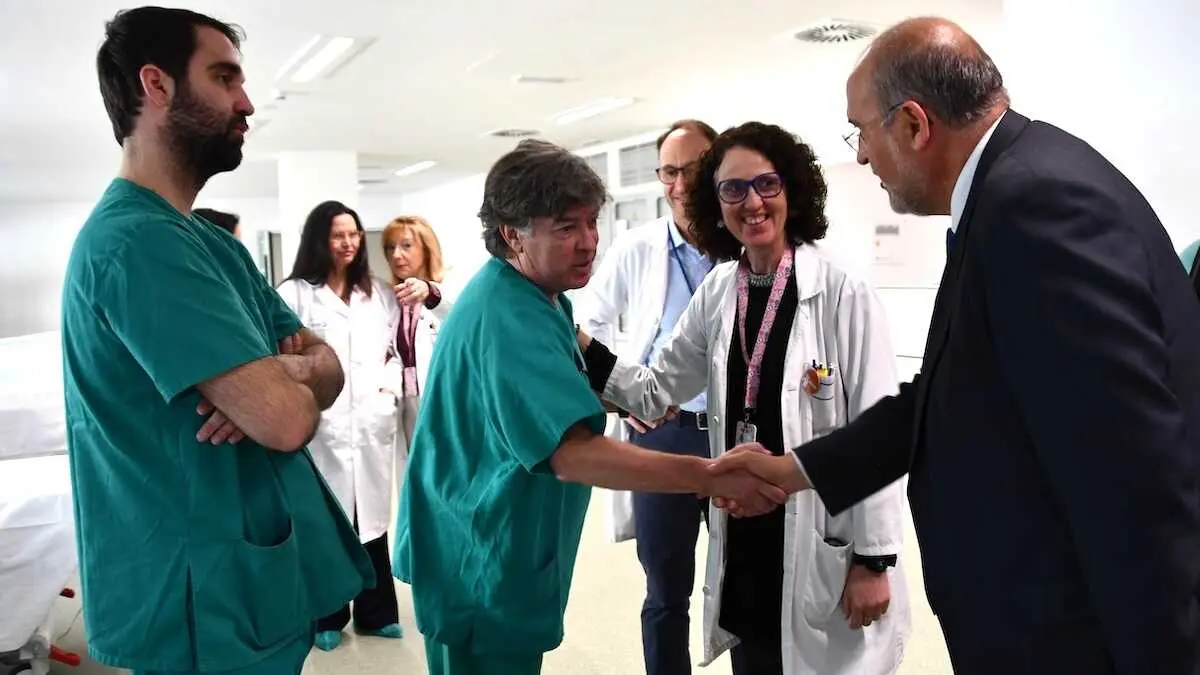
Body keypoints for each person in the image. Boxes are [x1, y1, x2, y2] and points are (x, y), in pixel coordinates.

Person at [710, 17, 1200, 675]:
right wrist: (796, 468)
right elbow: (941, 393)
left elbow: (1135, 482)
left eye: (861, 132)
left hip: (1073, 638)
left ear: (914, 124)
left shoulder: (1035, 207)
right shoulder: (1014, 189)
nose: (859, 157)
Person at [392, 138, 786, 675]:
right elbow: (575, 454)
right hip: (479, 556)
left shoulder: (537, 295)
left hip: (490, 544)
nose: (588, 243)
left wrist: (632, 394)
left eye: (591, 222)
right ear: (512, 234)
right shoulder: (509, 317)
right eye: (566, 228)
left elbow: (569, 362)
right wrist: (711, 475)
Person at [61, 7, 373, 675]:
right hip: (200, 605)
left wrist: (282, 372)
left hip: (250, 585)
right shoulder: (136, 242)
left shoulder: (207, 245)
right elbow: (288, 422)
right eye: (225, 78)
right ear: (157, 85)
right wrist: (286, 382)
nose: (247, 102)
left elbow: (327, 364)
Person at [579, 122, 910, 675]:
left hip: (822, 532)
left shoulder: (842, 292)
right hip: (747, 526)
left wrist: (875, 559)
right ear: (716, 204)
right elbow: (655, 388)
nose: (752, 202)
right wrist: (574, 339)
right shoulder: (719, 290)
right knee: (754, 654)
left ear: (792, 190)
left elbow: (881, 430)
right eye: (733, 189)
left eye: (767, 184)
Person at [573, 118, 718, 675]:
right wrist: (629, 396)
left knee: (746, 585)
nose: (680, 184)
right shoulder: (638, 248)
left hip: (740, 435)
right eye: (669, 171)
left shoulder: (746, 247)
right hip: (664, 434)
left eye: (694, 169)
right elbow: (589, 325)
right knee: (666, 589)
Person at [275, 201, 405, 651]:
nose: (348, 243)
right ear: (318, 240)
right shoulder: (293, 294)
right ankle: (327, 615)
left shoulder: (380, 293)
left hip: (370, 420)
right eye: (337, 235)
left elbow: (395, 352)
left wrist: (388, 390)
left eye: (353, 235)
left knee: (372, 518)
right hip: (321, 424)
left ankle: (377, 612)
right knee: (327, 521)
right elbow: (280, 357)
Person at [379, 214, 452, 494]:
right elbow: (391, 353)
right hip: (407, 401)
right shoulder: (390, 299)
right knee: (413, 484)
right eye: (390, 247)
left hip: (438, 401)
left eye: (406, 246)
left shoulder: (445, 292)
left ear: (426, 248)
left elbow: (453, 313)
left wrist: (429, 292)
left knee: (443, 481)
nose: (397, 255)